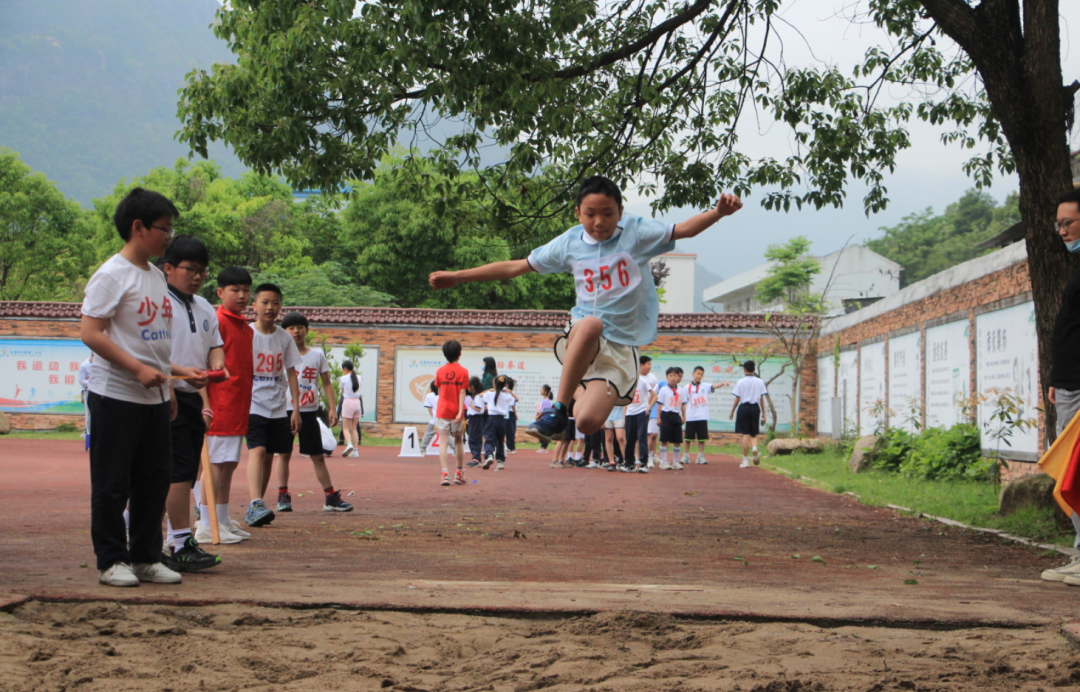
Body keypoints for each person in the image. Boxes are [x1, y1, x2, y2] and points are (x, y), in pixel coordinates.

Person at [430, 175, 742, 445]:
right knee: (592, 323)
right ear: (578, 213)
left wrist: (718, 212)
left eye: (608, 214)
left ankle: (576, 397)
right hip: (583, 333)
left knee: (587, 424)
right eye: (590, 214)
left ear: (620, 212)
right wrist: (457, 277)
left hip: (620, 346)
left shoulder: (636, 232)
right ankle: (558, 408)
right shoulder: (569, 243)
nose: (599, 222)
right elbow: (516, 267)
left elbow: (684, 229)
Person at [80, 187, 197, 587]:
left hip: (154, 397)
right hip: (115, 394)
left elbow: (155, 341)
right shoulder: (112, 274)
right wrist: (135, 370)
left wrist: (167, 390)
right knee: (113, 483)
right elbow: (90, 332)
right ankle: (112, 560)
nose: (168, 236)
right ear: (138, 227)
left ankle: (146, 556)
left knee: (154, 479)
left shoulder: (154, 276)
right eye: (164, 229)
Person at [160, 235, 223, 573]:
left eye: (202, 270)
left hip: (191, 396)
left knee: (183, 472)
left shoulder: (203, 307)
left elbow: (214, 345)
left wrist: (216, 368)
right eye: (190, 269)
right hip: (162, 395)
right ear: (169, 268)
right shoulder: (156, 304)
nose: (197, 276)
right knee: (175, 472)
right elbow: (150, 353)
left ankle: (171, 538)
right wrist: (172, 382)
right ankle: (179, 539)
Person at [274, 312, 353, 513]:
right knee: (283, 454)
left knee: (317, 455)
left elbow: (326, 383)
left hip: (309, 411)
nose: (296, 331)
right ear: (284, 331)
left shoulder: (316, 355)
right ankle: (282, 496)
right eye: (291, 328)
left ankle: (330, 497)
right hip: (284, 411)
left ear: (307, 330)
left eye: (300, 327)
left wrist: (333, 409)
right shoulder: (279, 355)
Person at [1041, 189, 1080, 585]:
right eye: (1059, 224)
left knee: (1078, 473)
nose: (1062, 230)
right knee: (1070, 472)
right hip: (1069, 385)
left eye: (1068, 222)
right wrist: (1058, 378)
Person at [199, 266, 254, 545]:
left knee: (229, 464)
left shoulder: (244, 326)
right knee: (215, 465)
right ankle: (206, 524)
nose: (242, 295)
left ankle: (220, 519)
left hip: (238, 406)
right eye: (235, 290)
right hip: (221, 406)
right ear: (221, 292)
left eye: (246, 290)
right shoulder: (217, 320)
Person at [244, 283, 302, 528]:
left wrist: (296, 408)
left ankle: (258, 505)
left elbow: (291, 374)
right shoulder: (246, 333)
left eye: (275, 303)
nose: (270, 307)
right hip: (252, 404)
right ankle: (254, 502)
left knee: (269, 454)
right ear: (254, 305)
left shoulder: (284, 337)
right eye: (265, 302)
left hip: (278, 406)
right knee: (257, 450)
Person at [433, 340, 470, 486]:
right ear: (460, 354)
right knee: (458, 441)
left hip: (442, 410)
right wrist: (460, 411)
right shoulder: (464, 371)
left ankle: (444, 474)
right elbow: (462, 392)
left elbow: (440, 391)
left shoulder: (440, 371)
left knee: (443, 442)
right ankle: (459, 473)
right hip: (457, 412)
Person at [684, 366, 728, 465]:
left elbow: (714, 386)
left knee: (702, 438)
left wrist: (722, 383)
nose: (699, 376)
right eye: (697, 373)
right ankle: (685, 456)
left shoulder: (705, 386)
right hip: (690, 416)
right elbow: (683, 401)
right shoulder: (687, 387)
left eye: (701, 374)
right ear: (693, 374)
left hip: (702, 416)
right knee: (688, 438)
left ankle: (700, 456)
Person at [730, 360, 769, 468]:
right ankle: (755, 448)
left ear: (744, 369)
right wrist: (764, 414)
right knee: (753, 433)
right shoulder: (760, 381)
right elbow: (761, 399)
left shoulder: (740, 382)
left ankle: (745, 460)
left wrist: (732, 411)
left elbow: (737, 399)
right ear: (754, 369)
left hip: (744, 408)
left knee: (745, 434)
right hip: (755, 408)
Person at [623, 356, 657, 472]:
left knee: (642, 438)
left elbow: (655, 395)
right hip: (630, 414)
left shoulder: (642, 381)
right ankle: (629, 463)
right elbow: (624, 400)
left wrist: (648, 408)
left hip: (641, 413)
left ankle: (643, 464)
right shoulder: (627, 382)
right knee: (630, 439)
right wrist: (625, 414)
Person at [481, 375, 516, 470]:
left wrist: (490, 390)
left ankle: (489, 455)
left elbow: (480, 395)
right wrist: (508, 391)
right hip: (502, 420)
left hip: (492, 418)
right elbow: (514, 400)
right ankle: (500, 461)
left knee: (489, 438)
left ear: (494, 384)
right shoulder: (506, 396)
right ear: (505, 384)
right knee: (500, 439)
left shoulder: (489, 394)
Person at [657, 367, 686, 470]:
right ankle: (664, 461)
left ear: (678, 377)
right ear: (667, 377)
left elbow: (683, 405)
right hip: (666, 415)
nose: (673, 378)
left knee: (677, 439)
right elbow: (659, 405)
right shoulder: (663, 390)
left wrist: (684, 416)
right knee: (665, 439)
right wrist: (659, 418)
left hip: (676, 415)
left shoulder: (681, 390)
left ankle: (675, 461)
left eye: (675, 376)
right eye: (671, 376)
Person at [339, 360, 361, 457]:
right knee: (354, 428)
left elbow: (343, 392)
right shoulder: (359, 378)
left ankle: (349, 444)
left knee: (345, 428)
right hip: (357, 402)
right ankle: (355, 451)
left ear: (345, 369)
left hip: (348, 402)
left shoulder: (343, 378)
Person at [465, 377, 486, 467]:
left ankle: (476, 458)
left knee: (474, 439)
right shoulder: (475, 396)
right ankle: (476, 457)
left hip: (476, 418)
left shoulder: (477, 397)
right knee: (473, 438)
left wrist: (470, 405)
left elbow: (479, 409)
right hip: (474, 418)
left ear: (472, 386)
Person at [604, 404, 626, 471]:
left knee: (620, 437)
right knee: (608, 437)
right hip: (607, 415)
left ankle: (626, 461)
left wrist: (625, 417)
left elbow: (626, 402)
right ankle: (611, 462)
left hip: (620, 415)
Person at [419, 381, 439, 455]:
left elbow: (429, 408)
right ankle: (455, 449)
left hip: (435, 418)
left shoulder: (429, 395)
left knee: (428, 433)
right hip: (444, 417)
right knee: (446, 434)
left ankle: (422, 449)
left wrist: (433, 416)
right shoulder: (444, 395)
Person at [78, 355, 93, 450]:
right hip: (87, 391)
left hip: (98, 391)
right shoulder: (84, 365)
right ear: (93, 355)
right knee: (89, 416)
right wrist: (92, 383)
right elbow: (81, 380)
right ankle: (88, 435)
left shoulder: (100, 366)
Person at [535, 384, 554, 453]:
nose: (540, 391)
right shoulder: (543, 400)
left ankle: (544, 447)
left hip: (544, 418)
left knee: (543, 433)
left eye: (542, 389)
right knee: (540, 432)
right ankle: (543, 447)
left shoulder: (546, 401)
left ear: (545, 392)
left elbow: (544, 410)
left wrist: (538, 416)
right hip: (541, 417)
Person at [505, 377, 518, 454]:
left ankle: (510, 447)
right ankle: (508, 447)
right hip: (506, 412)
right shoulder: (504, 392)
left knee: (510, 430)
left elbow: (513, 403)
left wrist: (515, 413)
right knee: (508, 430)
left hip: (510, 412)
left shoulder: (510, 393)